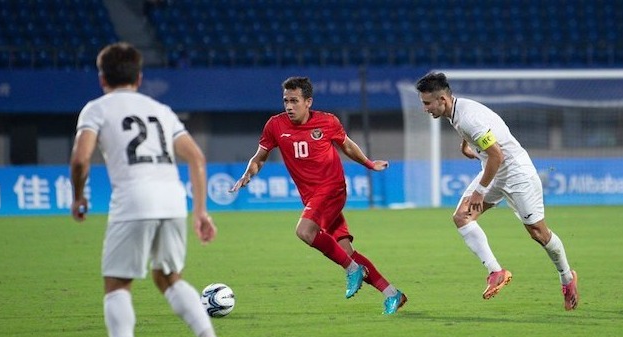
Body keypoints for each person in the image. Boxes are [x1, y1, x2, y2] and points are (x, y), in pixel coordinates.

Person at [70, 42, 233, 337]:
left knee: (117, 285)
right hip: (172, 199)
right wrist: (201, 211)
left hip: (133, 201)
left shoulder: (95, 109)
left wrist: (78, 196)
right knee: (169, 278)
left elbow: (81, 159)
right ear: (139, 77)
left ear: (102, 79)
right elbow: (197, 159)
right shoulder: (160, 109)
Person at [229, 76, 407, 314]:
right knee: (346, 253)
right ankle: (392, 294)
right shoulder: (275, 125)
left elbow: (347, 145)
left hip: (332, 189)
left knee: (304, 231)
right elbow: (259, 156)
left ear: (308, 101)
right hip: (312, 196)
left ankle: (352, 270)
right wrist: (248, 173)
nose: (289, 106)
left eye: (294, 101)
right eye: (285, 101)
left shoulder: (327, 122)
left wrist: (368, 164)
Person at [415, 72, 579, 310]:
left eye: (427, 103)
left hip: (516, 173)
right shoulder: (457, 112)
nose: (425, 108)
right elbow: (482, 137)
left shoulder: (468, 117)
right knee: (462, 217)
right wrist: (467, 146)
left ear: (442, 100)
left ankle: (567, 278)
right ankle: (496, 272)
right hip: (494, 170)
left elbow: (497, 155)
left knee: (538, 233)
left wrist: (480, 191)